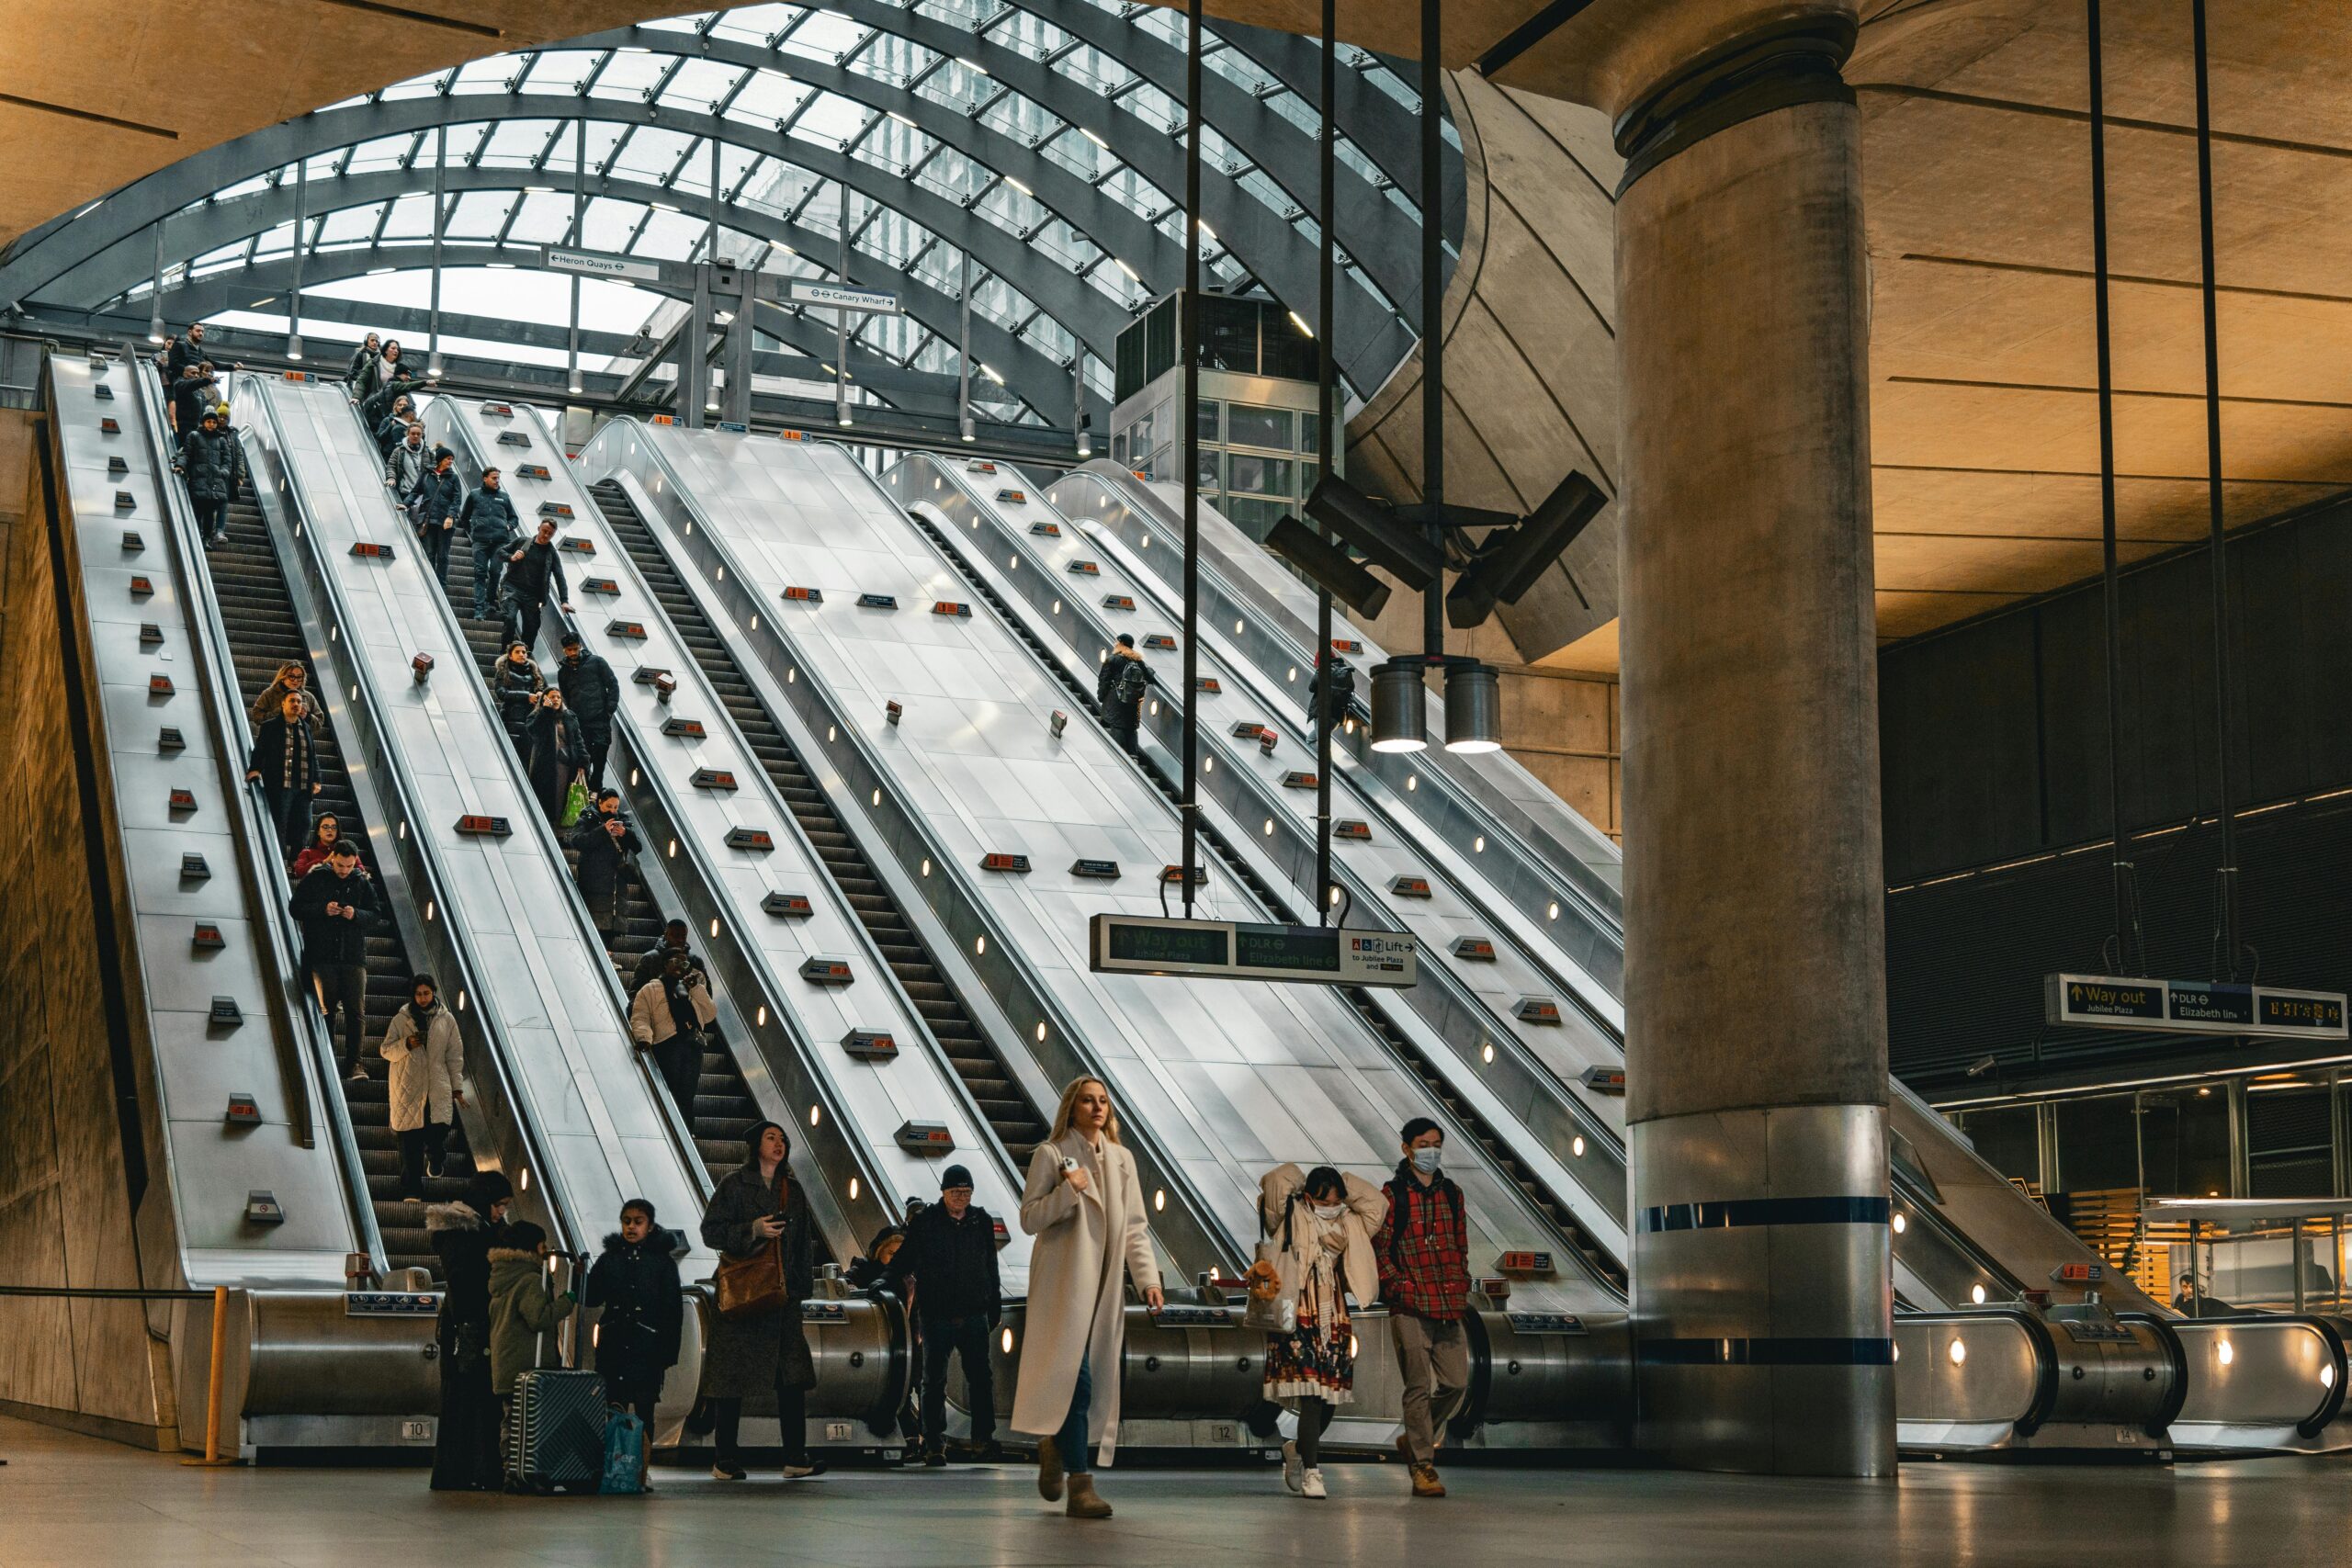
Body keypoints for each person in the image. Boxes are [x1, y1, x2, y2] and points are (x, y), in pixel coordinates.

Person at [1015, 1076, 1163, 1519]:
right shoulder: (1051, 1154)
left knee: (1089, 1382)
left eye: (1103, 1101)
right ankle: (1081, 1484)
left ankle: (1053, 1446)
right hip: (1063, 1288)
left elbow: (1135, 1226)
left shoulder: (1122, 1159)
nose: (1097, 1107)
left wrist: (1148, 1279)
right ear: (1072, 1107)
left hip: (1104, 1289)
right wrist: (1069, 1189)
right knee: (1077, 1383)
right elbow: (1028, 1219)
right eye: (1087, 1100)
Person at [698, 1120, 825, 1482]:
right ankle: (724, 1458)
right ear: (756, 1145)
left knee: (792, 1376)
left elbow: (803, 1244)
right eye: (771, 1137)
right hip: (744, 1295)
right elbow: (711, 1232)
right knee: (731, 1378)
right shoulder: (734, 1185)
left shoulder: (793, 1190)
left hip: (783, 1298)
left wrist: (802, 1290)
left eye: (783, 1138)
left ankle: (796, 1456)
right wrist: (752, 1230)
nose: (779, 1143)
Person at [1254, 1163, 1385, 1500]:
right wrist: (1302, 1182)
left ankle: (1298, 1449)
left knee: (1330, 1396)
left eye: (1338, 1201)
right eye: (1326, 1201)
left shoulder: (1350, 1222)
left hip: (1334, 1313)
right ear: (1310, 1197)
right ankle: (1312, 1470)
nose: (1333, 1207)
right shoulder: (1290, 1213)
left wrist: (1342, 1181)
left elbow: (1376, 1204)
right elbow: (1275, 1182)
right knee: (1312, 1393)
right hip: (1297, 1311)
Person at [1374, 1117, 1470, 1499]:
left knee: (1456, 1382)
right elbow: (1381, 1249)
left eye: (1436, 1143)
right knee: (1417, 1385)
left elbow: (1460, 1244)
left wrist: (1462, 1281)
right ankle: (1423, 1465)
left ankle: (1416, 1440)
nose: (1431, 1150)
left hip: (1448, 1301)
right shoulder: (1391, 1194)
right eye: (1423, 1144)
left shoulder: (1452, 1193)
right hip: (1410, 1304)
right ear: (1407, 1149)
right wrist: (1400, 1286)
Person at [883, 1164, 1003, 1465]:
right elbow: (905, 1258)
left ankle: (982, 1440)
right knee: (933, 1379)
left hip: (974, 1311)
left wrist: (994, 1304)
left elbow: (991, 1265)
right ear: (943, 1192)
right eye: (955, 1191)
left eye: (966, 1191)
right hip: (936, 1314)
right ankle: (934, 1442)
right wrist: (882, 1279)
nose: (961, 1197)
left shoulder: (981, 1221)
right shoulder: (926, 1222)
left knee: (981, 1378)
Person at [584, 1196, 684, 1482]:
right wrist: (583, 1278)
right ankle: (614, 1463)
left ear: (650, 1226)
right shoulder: (610, 1259)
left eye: (638, 1222)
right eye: (626, 1221)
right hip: (616, 1340)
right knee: (614, 1403)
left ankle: (641, 1466)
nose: (631, 1227)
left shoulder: (662, 1263)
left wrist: (668, 1352)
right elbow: (593, 1297)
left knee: (644, 1405)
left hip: (646, 1345)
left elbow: (672, 1309)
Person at [429, 1168, 514, 1491]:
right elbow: (461, 1281)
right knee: (463, 1397)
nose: (501, 1212)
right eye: (498, 1204)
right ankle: (460, 1471)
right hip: (465, 1325)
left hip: (481, 1323)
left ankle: (476, 1469)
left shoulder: (489, 1229)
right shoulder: (460, 1232)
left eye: (505, 1206)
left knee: (478, 1398)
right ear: (482, 1199)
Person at [290, 840, 378, 1080]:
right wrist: (322, 909)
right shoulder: (317, 877)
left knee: (356, 1012)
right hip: (322, 956)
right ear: (333, 858)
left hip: (353, 956)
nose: (344, 870)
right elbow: (295, 908)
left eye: (349, 866)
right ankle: (327, 1061)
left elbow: (375, 915)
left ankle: (354, 1065)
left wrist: (355, 914)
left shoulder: (360, 881)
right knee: (327, 1009)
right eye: (340, 865)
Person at [379, 973, 463, 1202]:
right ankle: (412, 1190)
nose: (423, 998)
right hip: (408, 1088)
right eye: (418, 994)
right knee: (410, 1142)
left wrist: (457, 1087)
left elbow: (454, 1055)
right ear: (413, 995)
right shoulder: (401, 1019)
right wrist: (406, 1044)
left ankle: (436, 1158)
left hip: (437, 1086)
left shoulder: (447, 1020)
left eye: (426, 993)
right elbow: (385, 1050)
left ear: (433, 992)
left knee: (437, 1132)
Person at [488, 1220, 568, 1426]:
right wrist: (568, 1301)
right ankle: (519, 1459)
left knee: (512, 1423)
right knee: (529, 1426)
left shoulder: (503, 1276)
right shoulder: (530, 1279)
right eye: (542, 1246)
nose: (545, 1252)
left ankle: (509, 1458)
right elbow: (539, 1319)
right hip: (528, 1369)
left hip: (506, 1368)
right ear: (532, 1247)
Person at [630, 950, 715, 1120]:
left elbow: (710, 1014)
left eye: (684, 964)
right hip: (667, 1045)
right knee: (671, 1091)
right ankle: (668, 1125)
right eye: (675, 961)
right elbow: (641, 1017)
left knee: (688, 1094)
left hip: (694, 1046)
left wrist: (697, 988)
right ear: (665, 964)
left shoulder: (691, 988)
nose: (679, 966)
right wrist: (644, 1038)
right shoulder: (650, 989)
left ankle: (686, 1131)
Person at [246, 691, 322, 854]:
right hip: (280, 784)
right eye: (292, 701)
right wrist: (255, 769)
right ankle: (279, 858)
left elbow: (312, 755)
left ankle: (297, 860)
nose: (296, 704)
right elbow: (260, 750)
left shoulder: (306, 728)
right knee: (279, 822)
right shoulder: (270, 726)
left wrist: (316, 779)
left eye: (299, 702)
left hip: (303, 784)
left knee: (304, 823)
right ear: (283, 704)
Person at [571, 787, 639, 943]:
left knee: (612, 918)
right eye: (609, 806)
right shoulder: (586, 819)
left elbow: (638, 847)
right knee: (594, 917)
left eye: (615, 807)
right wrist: (603, 830)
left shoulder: (624, 822)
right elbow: (577, 841)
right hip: (593, 878)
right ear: (599, 802)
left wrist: (625, 833)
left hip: (616, 880)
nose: (613, 811)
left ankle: (608, 954)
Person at [556, 633, 621, 792]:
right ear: (564, 650)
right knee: (583, 757)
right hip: (580, 721)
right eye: (569, 650)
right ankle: (583, 790)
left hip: (600, 719)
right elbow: (566, 695)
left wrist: (608, 711)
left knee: (600, 752)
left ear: (580, 646)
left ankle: (596, 788)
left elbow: (613, 685)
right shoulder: (563, 672)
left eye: (575, 649)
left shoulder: (597, 662)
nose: (573, 653)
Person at [502, 517, 573, 656]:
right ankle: (505, 653)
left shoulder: (551, 554)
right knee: (510, 619)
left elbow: (560, 577)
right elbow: (500, 553)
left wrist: (564, 601)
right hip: (513, 588)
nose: (546, 535)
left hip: (533, 596)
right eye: (544, 531)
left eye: (550, 534)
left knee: (532, 627)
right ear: (538, 528)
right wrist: (511, 557)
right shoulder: (523, 542)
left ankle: (525, 656)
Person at [520, 683, 587, 827]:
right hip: (545, 763)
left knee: (563, 793)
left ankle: (560, 825)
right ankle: (545, 824)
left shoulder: (569, 716)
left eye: (558, 697)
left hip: (567, 763)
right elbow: (534, 732)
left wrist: (583, 761)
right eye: (552, 697)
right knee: (546, 794)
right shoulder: (537, 715)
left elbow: (578, 740)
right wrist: (546, 710)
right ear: (545, 699)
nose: (556, 699)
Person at [458, 466, 520, 622]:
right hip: (481, 541)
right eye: (494, 478)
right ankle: (479, 608)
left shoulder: (504, 497)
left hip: (500, 541)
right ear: (484, 478)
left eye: (498, 478)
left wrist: (508, 526)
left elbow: (514, 518)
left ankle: (490, 602)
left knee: (495, 572)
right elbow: (464, 517)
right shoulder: (474, 495)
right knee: (480, 573)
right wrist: (473, 532)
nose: (496, 481)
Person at [176, 406, 237, 547]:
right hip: (198, 480)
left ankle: (206, 539)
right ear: (203, 422)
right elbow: (186, 453)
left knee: (210, 513)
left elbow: (227, 461)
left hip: (215, 482)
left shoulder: (221, 440)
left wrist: (223, 473)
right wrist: (180, 465)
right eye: (209, 421)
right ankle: (197, 537)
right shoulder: (194, 436)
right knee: (197, 511)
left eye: (214, 422)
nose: (212, 424)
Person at [412, 449, 463, 587]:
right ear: (440, 460)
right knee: (429, 553)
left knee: (442, 555)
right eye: (448, 459)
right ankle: (429, 582)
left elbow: (457, 500)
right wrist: (404, 504)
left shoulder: (454, 478)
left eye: (452, 459)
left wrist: (451, 516)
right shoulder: (427, 474)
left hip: (446, 521)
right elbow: (416, 491)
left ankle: (441, 584)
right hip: (429, 520)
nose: (451, 462)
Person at [1096, 633, 1152, 750]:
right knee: (1131, 728)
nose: (1115, 644)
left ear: (1121, 643)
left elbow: (1104, 680)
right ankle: (1133, 755)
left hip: (1116, 699)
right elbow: (1148, 677)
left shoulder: (1112, 660)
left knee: (1117, 726)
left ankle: (1120, 754)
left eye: (1116, 642)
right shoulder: (1138, 661)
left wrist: (1101, 696)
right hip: (1134, 701)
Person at [632, 919, 705, 997]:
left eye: (683, 936)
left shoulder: (695, 961)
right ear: (666, 935)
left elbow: (707, 995)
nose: (680, 940)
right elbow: (635, 993)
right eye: (676, 936)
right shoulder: (650, 959)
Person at [288, 813, 364, 881]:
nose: (330, 830)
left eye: (334, 827)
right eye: (325, 827)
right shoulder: (307, 853)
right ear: (318, 831)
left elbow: (360, 870)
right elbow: (299, 872)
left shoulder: (347, 850)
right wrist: (324, 862)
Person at [492, 641, 545, 737]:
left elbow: (540, 688)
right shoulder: (503, 672)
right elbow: (502, 693)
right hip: (511, 717)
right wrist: (526, 696)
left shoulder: (533, 672)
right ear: (510, 655)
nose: (521, 654)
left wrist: (540, 693)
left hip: (532, 718)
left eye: (524, 652)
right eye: (517, 652)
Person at [250, 660, 320, 734]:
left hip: (301, 739)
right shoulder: (269, 694)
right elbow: (257, 717)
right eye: (291, 676)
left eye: (299, 677)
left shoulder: (308, 697)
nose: (295, 680)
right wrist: (280, 712)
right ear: (283, 677)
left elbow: (319, 722)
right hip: (275, 738)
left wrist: (307, 717)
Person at [386, 421, 430, 511]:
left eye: (418, 434)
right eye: (413, 433)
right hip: (404, 492)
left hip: (421, 495)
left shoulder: (428, 452)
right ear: (408, 434)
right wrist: (391, 478)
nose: (416, 436)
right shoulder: (399, 451)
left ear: (422, 435)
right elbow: (391, 466)